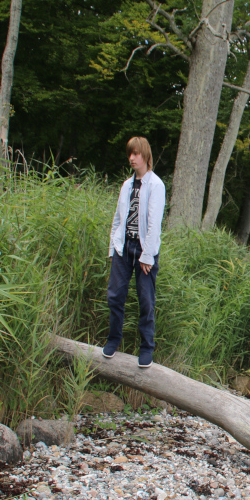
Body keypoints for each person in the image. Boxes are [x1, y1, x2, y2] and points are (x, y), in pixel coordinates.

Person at [102, 137, 165, 368]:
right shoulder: (127, 185)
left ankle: (147, 348)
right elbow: (118, 219)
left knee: (146, 301)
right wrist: (113, 248)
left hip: (144, 250)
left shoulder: (156, 185)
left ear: (145, 156)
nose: (132, 158)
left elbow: (154, 224)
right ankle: (113, 339)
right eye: (130, 154)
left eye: (136, 153)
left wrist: (147, 255)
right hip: (123, 248)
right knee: (115, 296)